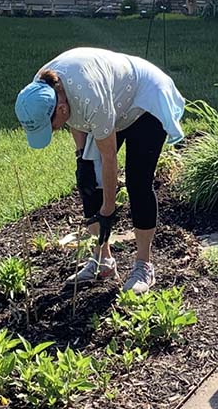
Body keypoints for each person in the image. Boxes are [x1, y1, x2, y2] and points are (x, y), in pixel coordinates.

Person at [15, 48, 185, 294]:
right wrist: (81, 156)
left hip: (144, 101)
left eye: (49, 126)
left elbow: (108, 158)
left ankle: (144, 266)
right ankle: (102, 261)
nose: (51, 131)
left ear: (59, 109)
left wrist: (108, 208)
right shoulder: (41, 89)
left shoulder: (89, 96)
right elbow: (74, 120)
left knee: (138, 183)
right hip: (113, 102)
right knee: (88, 180)